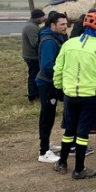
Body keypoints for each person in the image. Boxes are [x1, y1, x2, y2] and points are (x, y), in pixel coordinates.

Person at [52, 12, 96, 179]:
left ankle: (62, 162)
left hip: (70, 94)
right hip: (91, 95)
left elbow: (58, 68)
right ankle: (79, 169)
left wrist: (58, 87)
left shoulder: (69, 44)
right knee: (82, 132)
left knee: (69, 129)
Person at [34, 12, 68, 163]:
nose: (65, 27)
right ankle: (44, 152)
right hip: (47, 84)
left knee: (50, 115)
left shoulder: (57, 38)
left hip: (51, 83)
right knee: (47, 116)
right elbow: (48, 66)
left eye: (66, 24)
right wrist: (65, 71)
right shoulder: (49, 41)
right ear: (52, 25)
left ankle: (47, 145)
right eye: (62, 24)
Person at [22, 9, 46, 102]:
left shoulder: (31, 25)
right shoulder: (31, 28)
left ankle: (34, 94)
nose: (43, 19)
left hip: (31, 55)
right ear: (38, 17)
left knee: (34, 75)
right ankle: (32, 95)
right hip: (32, 57)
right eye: (42, 17)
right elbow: (35, 43)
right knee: (33, 76)